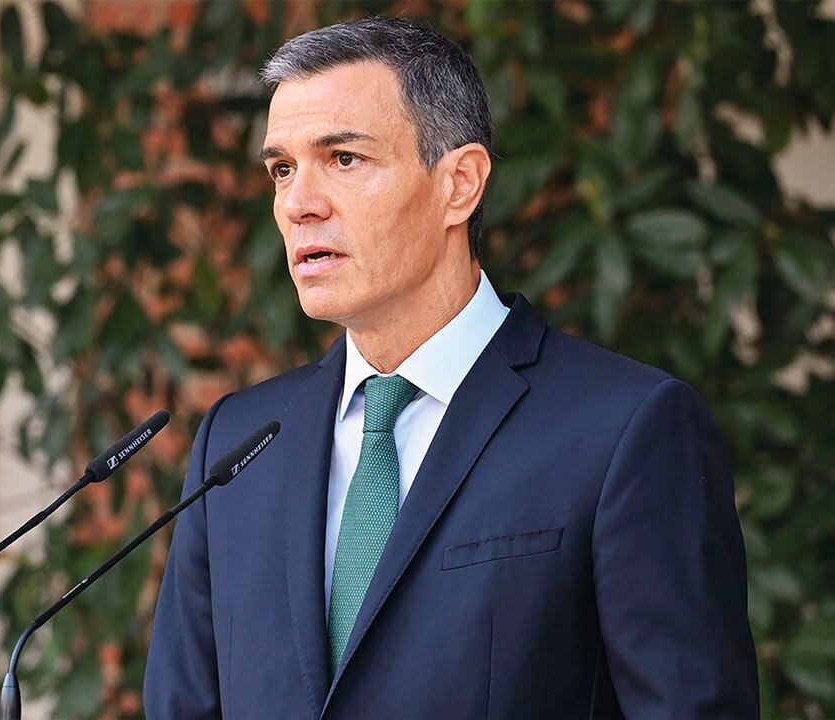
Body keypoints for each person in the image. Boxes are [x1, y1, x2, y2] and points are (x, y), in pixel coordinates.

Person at [143, 15, 758, 719]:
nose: (298, 204)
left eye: (343, 159)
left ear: (460, 184)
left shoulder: (625, 430)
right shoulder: (239, 441)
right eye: (282, 168)